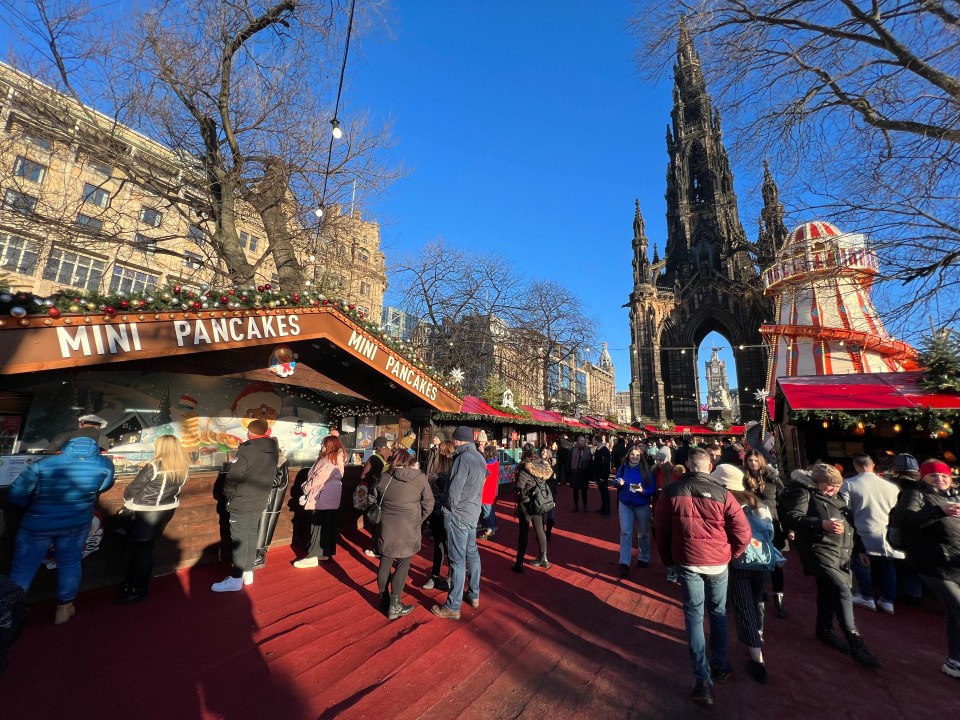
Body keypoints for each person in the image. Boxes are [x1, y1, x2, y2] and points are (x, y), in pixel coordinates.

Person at [655, 446, 752, 707]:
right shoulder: (724, 494)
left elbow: (661, 529)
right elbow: (743, 532)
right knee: (718, 612)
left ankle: (702, 679)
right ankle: (720, 665)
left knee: (694, 616)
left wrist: (668, 560)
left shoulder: (671, 491)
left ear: (687, 464)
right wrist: (732, 553)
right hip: (718, 561)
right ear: (710, 466)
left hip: (687, 559)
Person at [779, 463, 882, 668]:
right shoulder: (803, 493)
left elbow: (850, 524)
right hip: (820, 549)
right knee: (842, 588)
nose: (833, 489)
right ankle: (855, 640)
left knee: (827, 589)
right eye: (829, 486)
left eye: (836, 486)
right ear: (816, 483)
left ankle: (824, 629)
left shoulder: (838, 497)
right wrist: (820, 524)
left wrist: (860, 549)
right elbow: (791, 517)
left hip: (841, 550)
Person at [7, 436, 115, 624]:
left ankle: (10, 613)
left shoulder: (43, 464)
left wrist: (32, 506)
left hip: (37, 524)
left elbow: (15, 495)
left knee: (23, 570)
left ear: (66, 447)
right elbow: (103, 487)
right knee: (70, 563)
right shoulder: (104, 465)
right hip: (77, 523)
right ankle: (64, 609)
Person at [897, 459, 960, 679]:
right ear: (923, 477)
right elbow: (905, 520)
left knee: (955, 612)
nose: (940, 479)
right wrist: (939, 511)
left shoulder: (955, 495)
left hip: (956, 562)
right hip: (932, 563)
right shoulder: (915, 493)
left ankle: (954, 661)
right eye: (933, 475)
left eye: (944, 475)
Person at [714, 463, 775, 684]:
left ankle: (757, 660)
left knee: (743, 607)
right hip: (763, 560)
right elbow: (770, 530)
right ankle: (758, 634)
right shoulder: (757, 502)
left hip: (739, 560)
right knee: (757, 600)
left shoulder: (725, 503)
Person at [117, 435, 190, 604]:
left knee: (143, 551)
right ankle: (134, 584)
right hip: (166, 511)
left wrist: (127, 498)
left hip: (147, 511)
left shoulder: (154, 466)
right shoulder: (183, 466)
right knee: (144, 549)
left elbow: (132, 489)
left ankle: (140, 590)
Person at [213, 419, 280, 592]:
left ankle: (236, 578)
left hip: (242, 499)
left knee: (240, 538)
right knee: (250, 535)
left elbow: (233, 476)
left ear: (250, 432)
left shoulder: (247, 448)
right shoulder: (273, 448)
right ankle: (247, 573)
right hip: (260, 498)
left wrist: (228, 493)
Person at [369, 449, 434, 619]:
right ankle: (395, 604)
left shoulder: (385, 477)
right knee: (403, 565)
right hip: (409, 526)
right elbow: (429, 502)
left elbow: (371, 497)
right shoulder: (419, 477)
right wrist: (419, 519)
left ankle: (384, 598)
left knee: (385, 561)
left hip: (387, 526)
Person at [431, 425, 486, 620]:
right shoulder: (479, 456)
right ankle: (474, 594)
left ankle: (453, 605)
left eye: (454, 439)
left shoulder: (463, 458)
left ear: (459, 440)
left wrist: (447, 509)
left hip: (459, 514)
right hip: (472, 512)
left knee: (457, 560)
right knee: (472, 554)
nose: (452, 443)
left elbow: (455, 490)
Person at [844, 453, 903, 614]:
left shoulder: (849, 484)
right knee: (887, 564)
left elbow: (845, 509)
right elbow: (894, 509)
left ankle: (866, 595)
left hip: (861, 528)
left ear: (856, 466)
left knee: (860, 561)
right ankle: (888, 600)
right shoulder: (891, 487)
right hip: (884, 528)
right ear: (873, 465)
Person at [743, 449, 789, 619]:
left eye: (755, 460)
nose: (753, 463)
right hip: (753, 524)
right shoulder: (744, 479)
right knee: (758, 561)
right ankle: (759, 594)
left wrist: (789, 528)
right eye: (750, 460)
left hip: (773, 524)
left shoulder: (772, 478)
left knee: (776, 563)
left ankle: (779, 600)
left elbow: (784, 503)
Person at [294, 435, 345, 568]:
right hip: (330, 496)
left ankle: (313, 556)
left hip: (321, 496)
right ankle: (325, 552)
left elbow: (319, 478)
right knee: (328, 525)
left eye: (323, 444)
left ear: (329, 445)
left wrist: (305, 487)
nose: (321, 446)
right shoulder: (337, 457)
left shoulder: (329, 459)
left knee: (317, 526)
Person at [615, 445, 656, 577]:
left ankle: (643, 557)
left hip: (641, 504)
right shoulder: (623, 467)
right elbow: (616, 480)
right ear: (628, 455)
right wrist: (618, 482)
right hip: (625, 503)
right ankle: (624, 562)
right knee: (625, 532)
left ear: (641, 457)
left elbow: (652, 490)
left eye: (637, 455)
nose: (634, 457)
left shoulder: (646, 470)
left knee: (643, 533)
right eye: (632, 454)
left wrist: (642, 490)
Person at [512, 443, 553, 573]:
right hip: (539, 500)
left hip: (526, 502)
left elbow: (519, 486)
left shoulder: (525, 466)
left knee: (524, 531)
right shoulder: (542, 464)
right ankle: (544, 558)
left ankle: (519, 562)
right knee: (540, 529)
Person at [423, 440, 455, 590]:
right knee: (440, 543)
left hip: (447, 510)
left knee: (446, 545)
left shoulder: (453, 467)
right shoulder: (438, 467)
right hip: (437, 509)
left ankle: (448, 576)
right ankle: (436, 575)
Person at [358, 436, 393, 558]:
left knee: (376, 519)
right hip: (389, 494)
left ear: (377, 447)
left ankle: (376, 548)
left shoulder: (374, 458)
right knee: (385, 522)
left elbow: (363, 476)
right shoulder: (393, 456)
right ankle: (385, 546)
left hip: (376, 493)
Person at [45, 414, 111, 453]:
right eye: (89, 427)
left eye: (94, 427)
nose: (90, 430)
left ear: (80, 425)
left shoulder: (103, 439)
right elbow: (51, 452)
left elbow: (49, 453)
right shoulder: (65, 436)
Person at [478, 445, 500, 540]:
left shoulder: (488, 466)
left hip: (486, 491)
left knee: (487, 512)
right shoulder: (495, 462)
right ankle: (493, 526)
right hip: (492, 490)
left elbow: (482, 480)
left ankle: (489, 530)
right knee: (490, 511)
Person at [568, 435, 592, 512]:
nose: (582, 442)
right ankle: (575, 506)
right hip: (575, 472)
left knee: (584, 490)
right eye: (581, 440)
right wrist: (569, 471)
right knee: (575, 490)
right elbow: (569, 460)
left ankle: (585, 506)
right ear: (578, 441)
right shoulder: (573, 449)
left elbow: (590, 461)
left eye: (583, 441)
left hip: (584, 472)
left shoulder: (587, 449)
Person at [541, 446, 558, 541]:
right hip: (541, 490)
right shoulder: (538, 463)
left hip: (549, 490)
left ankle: (548, 532)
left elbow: (554, 478)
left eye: (546, 452)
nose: (544, 453)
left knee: (550, 512)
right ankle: (542, 532)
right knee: (541, 512)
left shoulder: (552, 464)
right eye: (542, 451)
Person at [592, 435, 612, 517]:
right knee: (602, 492)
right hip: (598, 474)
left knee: (604, 492)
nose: (592, 442)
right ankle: (603, 508)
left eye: (593, 440)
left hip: (602, 475)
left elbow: (605, 464)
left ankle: (607, 510)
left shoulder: (604, 450)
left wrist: (603, 476)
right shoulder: (599, 449)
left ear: (596, 440)